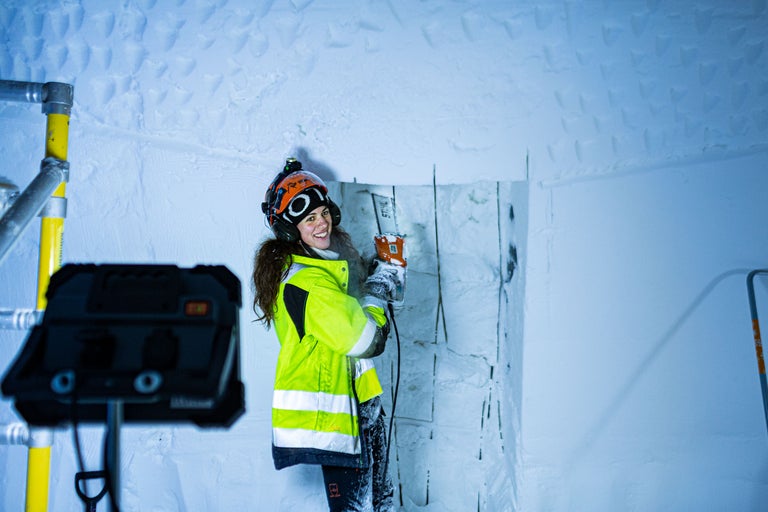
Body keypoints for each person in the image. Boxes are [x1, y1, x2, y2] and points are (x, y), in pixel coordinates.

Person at [252, 158, 403, 512]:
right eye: (309, 219)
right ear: (290, 230)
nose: (322, 223)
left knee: (381, 502)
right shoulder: (308, 282)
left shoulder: (322, 264)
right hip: (337, 419)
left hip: (360, 405)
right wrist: (379, 288)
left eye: (323, 213)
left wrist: (373, 271)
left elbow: (346, 302)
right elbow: (367, 340)